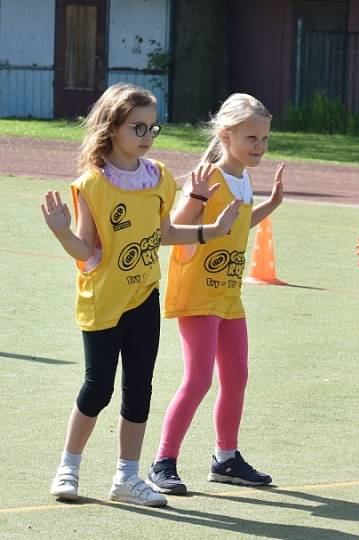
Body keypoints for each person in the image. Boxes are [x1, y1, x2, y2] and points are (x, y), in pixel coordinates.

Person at [41, 83, 240, 506]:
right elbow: (85, 248)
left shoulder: (160, 177)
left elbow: (165, 232)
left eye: (154, 127)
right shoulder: (93, 185)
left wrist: (211, 230)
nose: (148, 136)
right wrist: (61, 232)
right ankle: (68, 468)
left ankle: (126, 478)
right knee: (98, 388)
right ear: (112, 128)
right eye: (139, 127)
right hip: (102, 300)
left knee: (139, 388)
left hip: (143, 296)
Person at [147, 94, 284, 495]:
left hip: (228, 295)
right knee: (198, 380)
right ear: (226, 135)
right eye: (251, 138)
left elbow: (234, 227)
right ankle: (163, 461)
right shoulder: (207, 177)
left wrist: (271, 205)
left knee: (237, 377)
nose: (259, 146)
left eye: (263, 139)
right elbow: (173, 229)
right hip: (198, 293)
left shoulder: (243, 178)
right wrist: (198, 198)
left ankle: (226, 458)